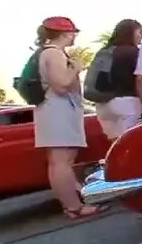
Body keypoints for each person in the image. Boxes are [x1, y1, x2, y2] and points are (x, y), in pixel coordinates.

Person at [32, 16, 106, 219]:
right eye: (72, 32)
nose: (74, 36)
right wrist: (75, 68)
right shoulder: (54, 54)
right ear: (64, 33)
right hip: (58, 111)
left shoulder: (48, 53)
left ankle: (72, 203)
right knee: (61, 161)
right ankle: (73, 206)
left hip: (55, 111)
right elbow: (61, 84)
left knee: (61, 160)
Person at [94, 19, 142, 140]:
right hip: (127, 103)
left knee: (115, 146)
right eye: (139, 32)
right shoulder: (134, 53)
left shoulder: (104, 51)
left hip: (103, 105)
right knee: (130, 144)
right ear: (130, 33)